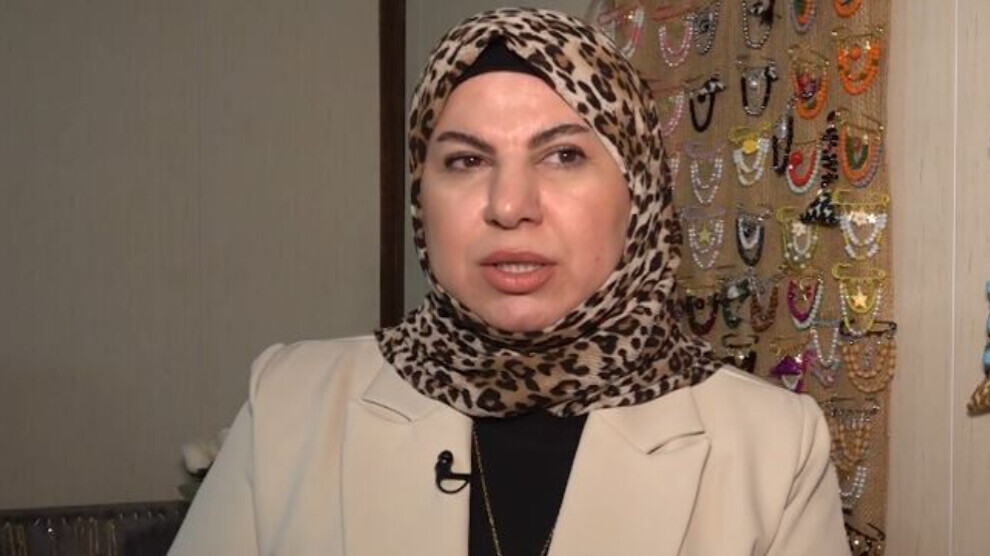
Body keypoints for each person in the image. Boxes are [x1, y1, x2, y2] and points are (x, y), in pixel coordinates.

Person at [168, 7, 850, 555]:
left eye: (563, 155)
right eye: (466, 161)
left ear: (639, 191)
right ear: (421, 197)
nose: (508, 204)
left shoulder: (771, 447)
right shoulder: (290, 404)